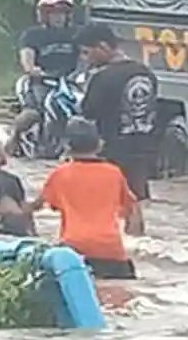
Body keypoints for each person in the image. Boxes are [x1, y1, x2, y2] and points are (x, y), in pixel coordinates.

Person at [30, 117, 140, 279]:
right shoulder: (114, 173)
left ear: (67, 146)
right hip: (110, 249)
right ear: (99, 144)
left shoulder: (60, 174)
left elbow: (38, 205)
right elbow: (132, 208)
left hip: (74, 249)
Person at [76, 22, 158, 233]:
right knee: (134, 202)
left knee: (102, 203)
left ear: (103, 46)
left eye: (87, 52)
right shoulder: (145, 72)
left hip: (112, 149)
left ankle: (108, 244)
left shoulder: (102, 77)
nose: (86, 58)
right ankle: (138, 243)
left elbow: (88, 112)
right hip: (143, 145)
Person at [6, 0, 81, 151]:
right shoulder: (33, 35)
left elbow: (85, 55)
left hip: (69, 81)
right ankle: (13, 138)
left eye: (62, 13)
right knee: (34, 113)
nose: (59, 17)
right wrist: (32, 69)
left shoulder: (76, 33)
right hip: (41, 81)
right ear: (45, 15)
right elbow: (27, 57)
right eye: (54, 13)